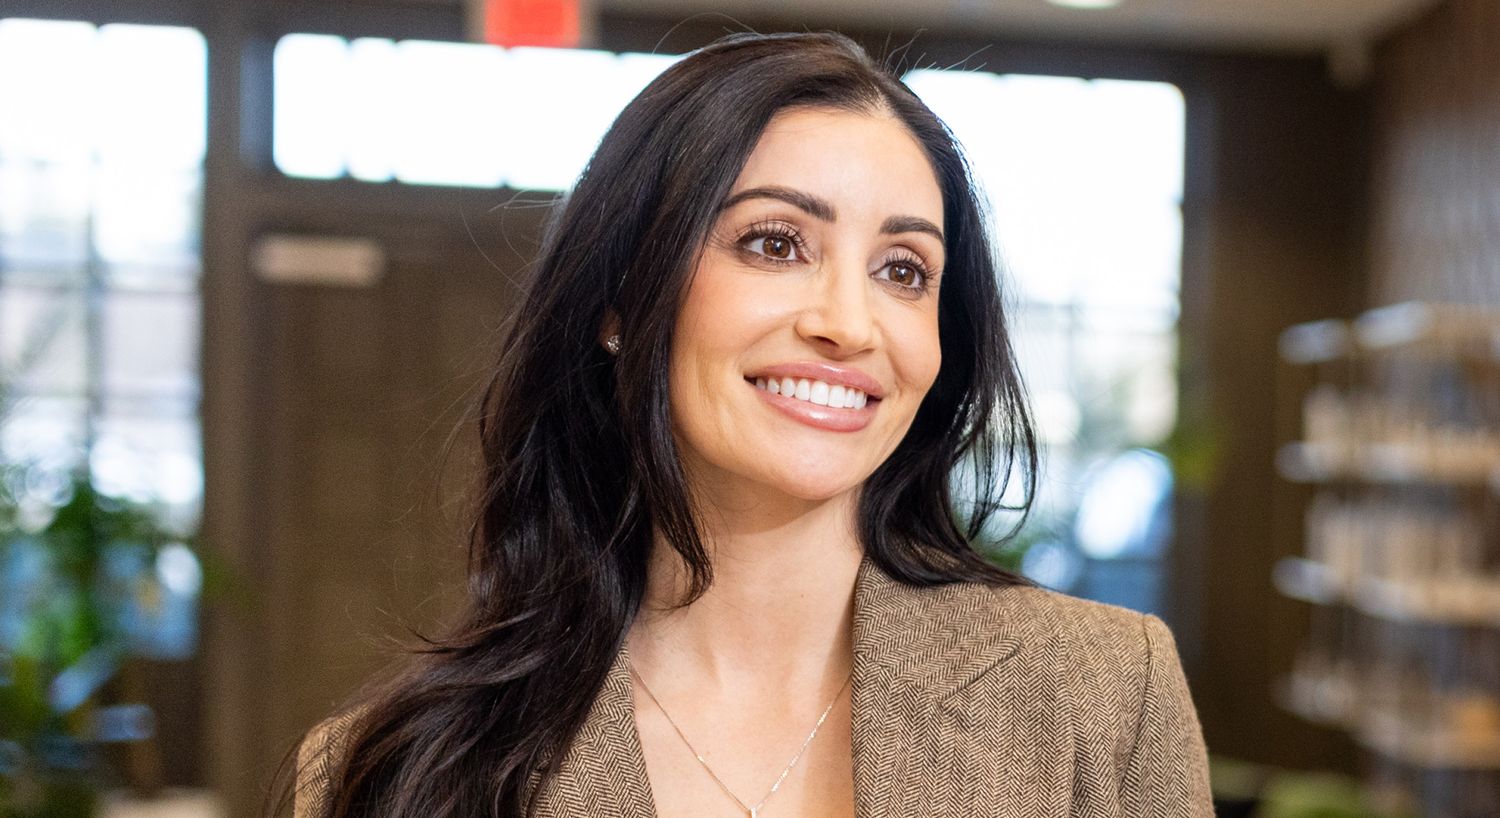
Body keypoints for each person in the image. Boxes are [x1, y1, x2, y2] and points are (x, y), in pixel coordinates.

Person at [281, 29, 1213, 818]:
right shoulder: (389, 768)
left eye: (903, 270)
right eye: (775, 244)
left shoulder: (1102, 694)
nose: (848, 324)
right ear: (618, 298)